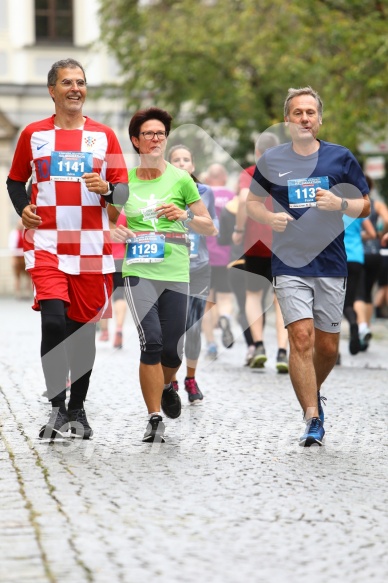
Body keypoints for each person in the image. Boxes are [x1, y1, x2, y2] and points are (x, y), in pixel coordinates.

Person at [7, 58, 129, 440]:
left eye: (81, 81)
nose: (75, 88)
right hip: (47, 244)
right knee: (54, 321)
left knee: (82, 333)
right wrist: (23, 209)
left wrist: (107, 190)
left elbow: (123, 192)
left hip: (91, 247)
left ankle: (78, 407)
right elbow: (15, 182)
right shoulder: (33, 134)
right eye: (67, 82)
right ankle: (57, 407)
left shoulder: (104, 136)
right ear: (52, 90)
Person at [246, 86, 370, 447]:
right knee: (301, 339)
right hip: (289, 262)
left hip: (331, 263)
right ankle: (312, 417)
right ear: (288, 121)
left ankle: (314, 392)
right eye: (297, 113)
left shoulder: (340, 158)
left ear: (319, 119)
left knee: (328, 348)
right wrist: (269, 217)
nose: (304, 118)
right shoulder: (271, 160)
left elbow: (364, 204)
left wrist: (339, 203)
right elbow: (253, 204)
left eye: (310, 113)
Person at [110, 107, 215, 443]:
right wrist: (116, 231)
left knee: (172, 350)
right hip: (138, 270)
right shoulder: (123, 181)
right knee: (151, 341)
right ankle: (154, 417)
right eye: (149, 134)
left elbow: (209, 227)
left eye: (160, 134)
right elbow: (109, 219)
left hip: (175, 270)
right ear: (136, 141)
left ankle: (170, 382)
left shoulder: (181, 179)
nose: (156, 139)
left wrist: (184, 215)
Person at [233, 132, 289, 372]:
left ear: (257, 153)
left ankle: (258, 346)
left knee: (253, 295)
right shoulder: (289, 171)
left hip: (255, 244)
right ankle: (283, 352)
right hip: (283, 244)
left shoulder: (249, 173)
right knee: (280, 300)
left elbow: (245, 199)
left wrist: (238, 229)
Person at [167, 145, 218, 402]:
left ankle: (191, 378)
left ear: (193, 165)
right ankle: (172, 381)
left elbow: (213, 227)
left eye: (186, 159)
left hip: (198, 267)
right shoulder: (163, 191)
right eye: (176, 160)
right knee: (173, 328)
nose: (182, 163)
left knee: (194, 327)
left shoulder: (205, 193)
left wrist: (189, 217)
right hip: (170, 268)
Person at [202, 163, 236, 357]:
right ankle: (224, 317)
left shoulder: (202, 194)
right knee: (225, 296)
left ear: (209, 178)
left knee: (207, 301)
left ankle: (211, 344)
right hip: (227, 254)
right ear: (224, 178)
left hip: (205, 255)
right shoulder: (232, 197)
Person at [98, 210, 128, 349]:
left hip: (104, 258)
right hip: (121, 259)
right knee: (120, 296)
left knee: (105, 297)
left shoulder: (100, 211)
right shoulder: (125, 214)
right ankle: (119, 329)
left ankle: (104, 332)